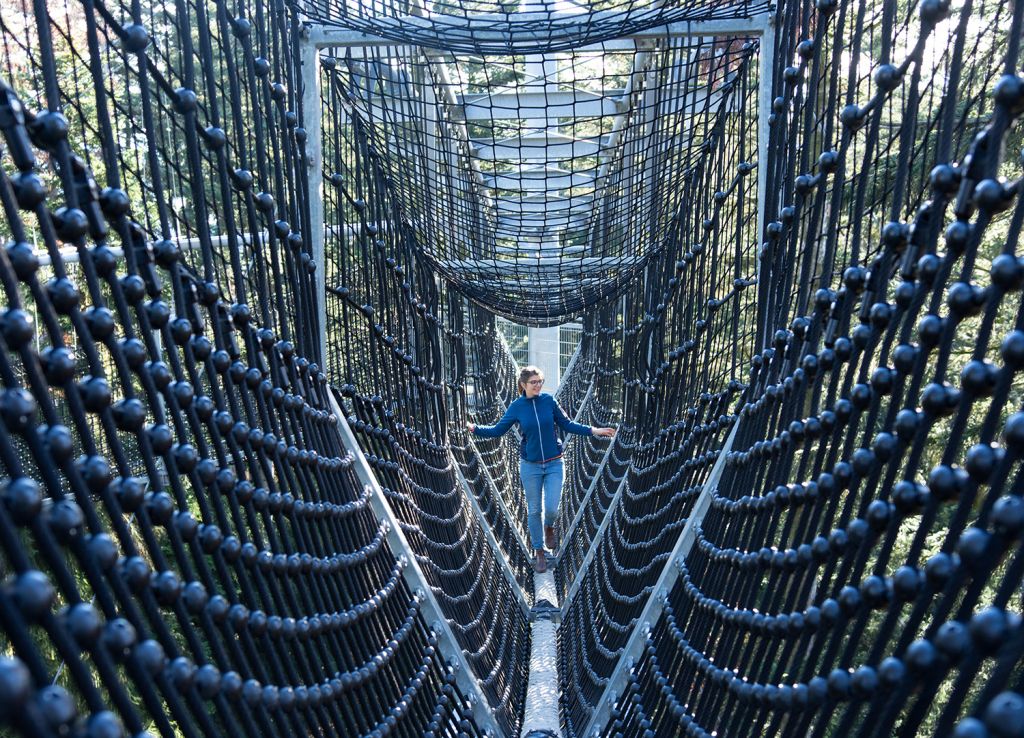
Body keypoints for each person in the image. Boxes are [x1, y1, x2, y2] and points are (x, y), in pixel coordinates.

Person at [467, 365, 616, 573]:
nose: (537, 385)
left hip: (555, 463)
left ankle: (549, 528)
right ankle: (539, 552)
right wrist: (475, 429)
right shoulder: (517, 407)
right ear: (523, 385)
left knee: (552, 508)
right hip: (531, 467)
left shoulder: (549, 401)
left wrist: (595, 430)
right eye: (533, 382)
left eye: (540, 382)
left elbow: (568, 424)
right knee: (534, 509)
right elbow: (498, 430)